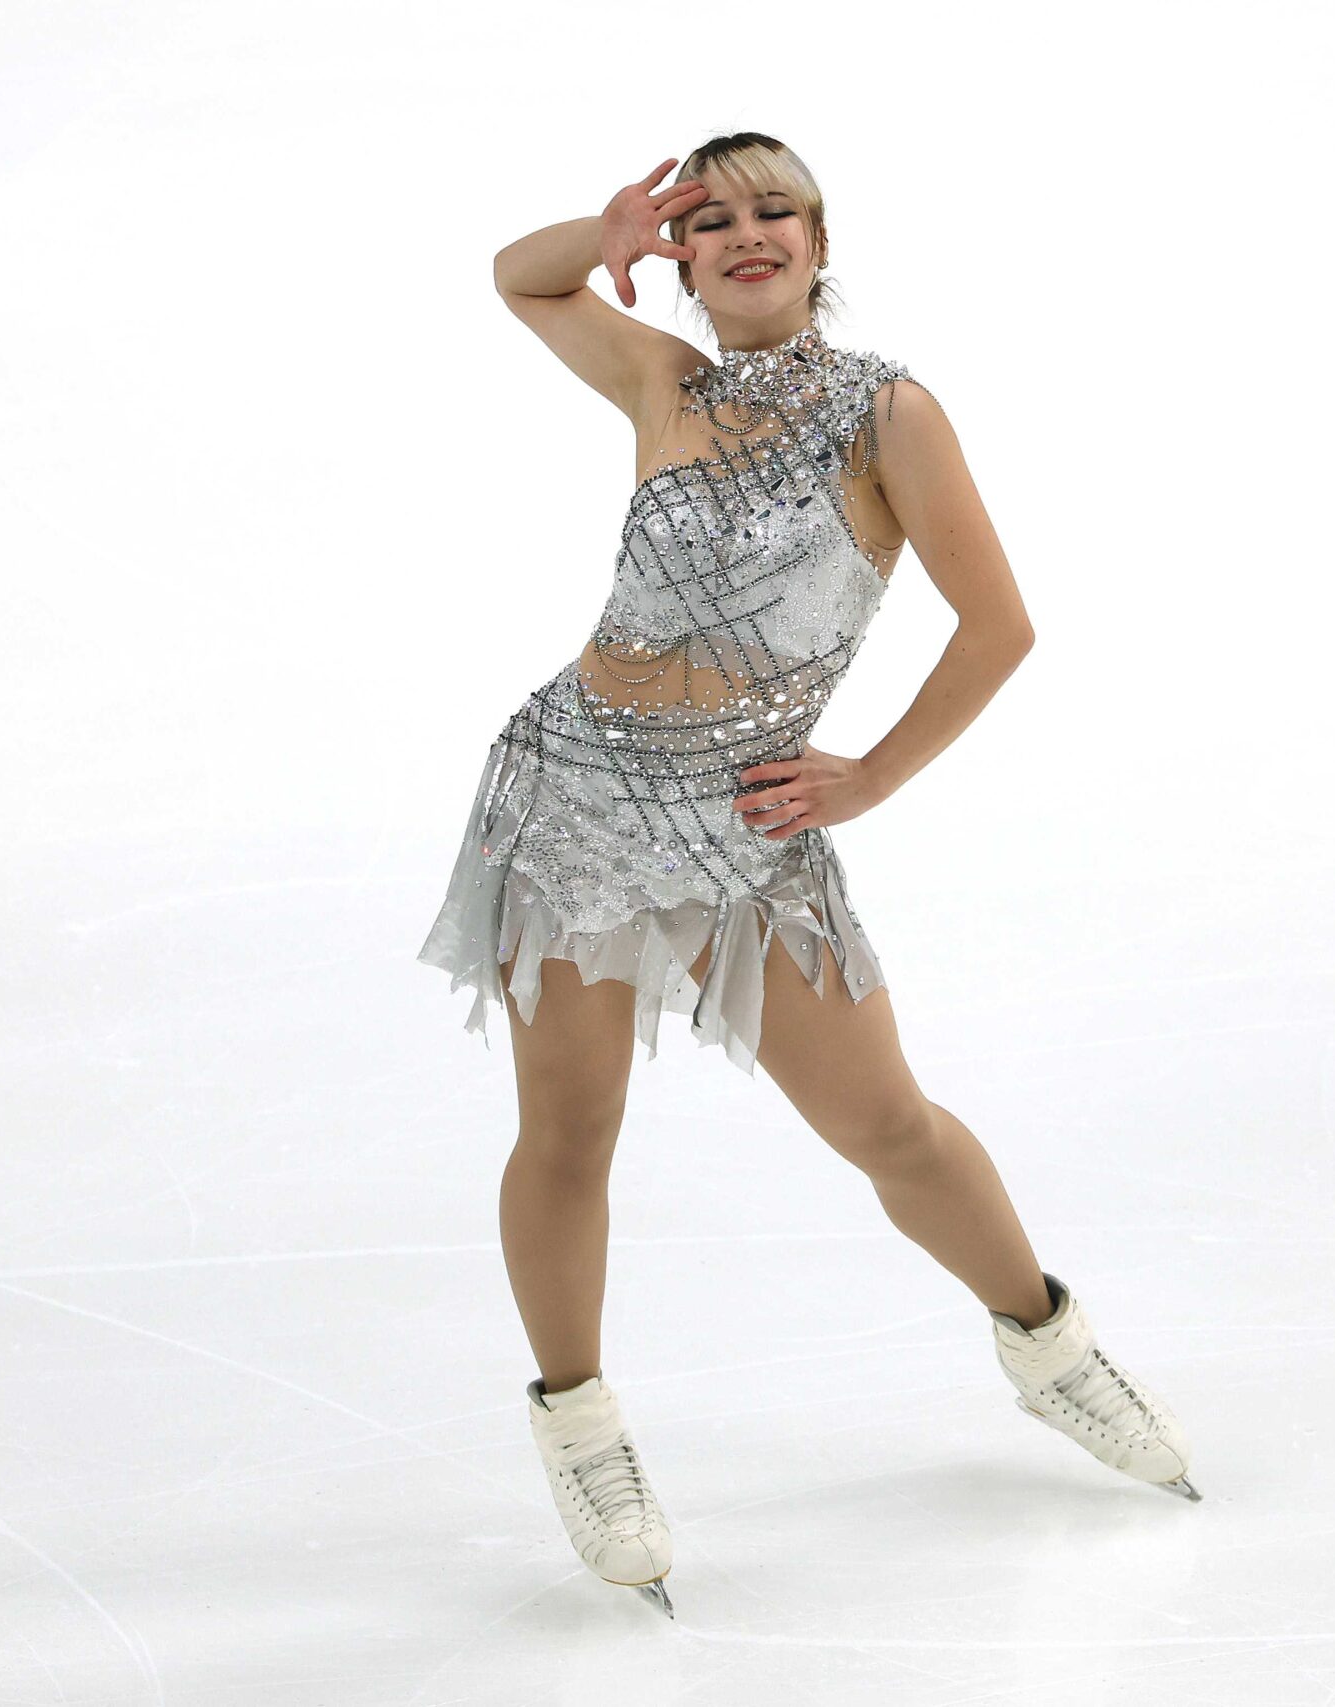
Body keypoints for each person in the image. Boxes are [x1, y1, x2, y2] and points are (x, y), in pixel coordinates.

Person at [414, 134, 1200, 1618]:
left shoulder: (885, 412)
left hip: (751, 823)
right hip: (574, 794)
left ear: (822, 243)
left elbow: (998, 627)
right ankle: (581, 1431)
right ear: (686, 263)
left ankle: (1048, 1346)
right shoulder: (663, 381)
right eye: (709, 222)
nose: (743, 234)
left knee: (890, 1124)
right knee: (571, 1131)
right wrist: (606, 226)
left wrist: (873, 775)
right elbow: (518, 282)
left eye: (774, 210)